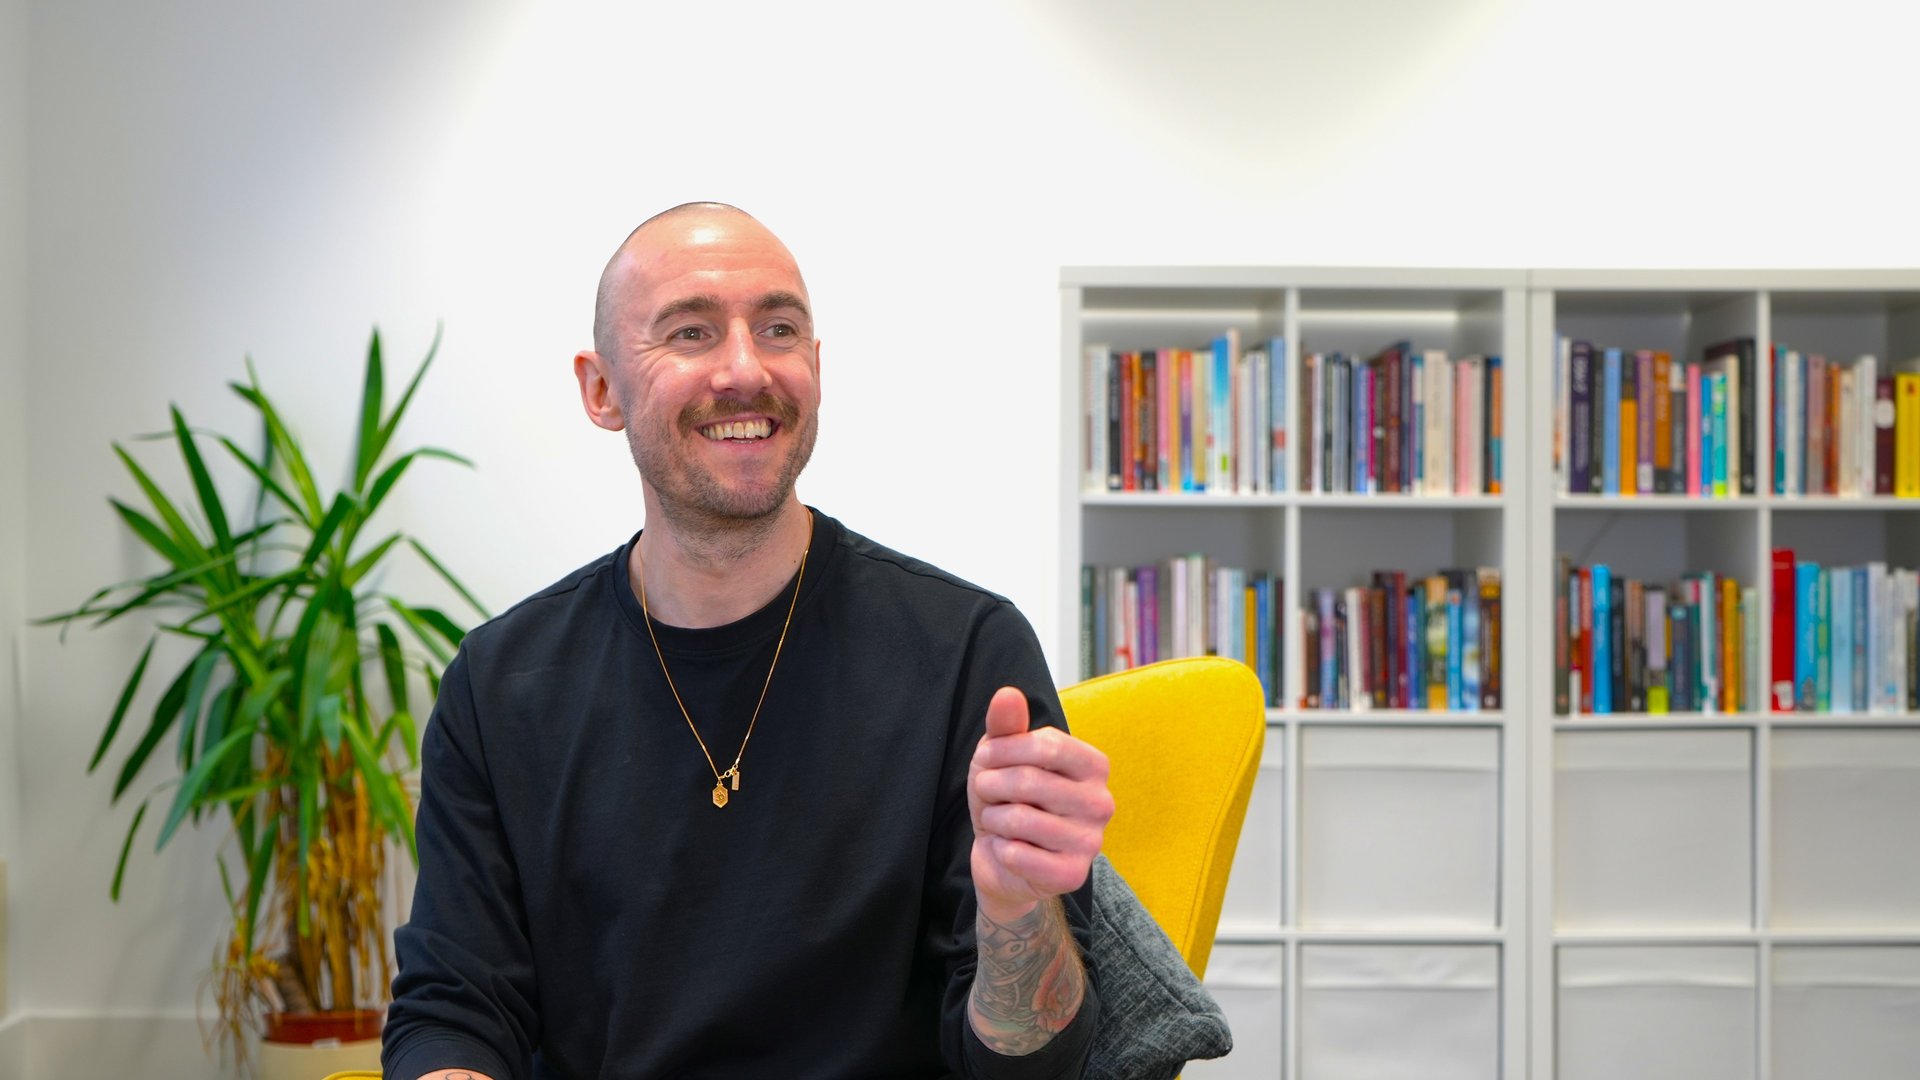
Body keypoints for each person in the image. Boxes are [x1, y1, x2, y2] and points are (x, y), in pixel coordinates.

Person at [382, 202, 1114, 1079]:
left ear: (816, 368)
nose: (745, 369)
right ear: (602, 390)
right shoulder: (501, 685)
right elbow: (455, 1011)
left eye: (778, 329)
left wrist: (1017, 918)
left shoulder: (965, 655)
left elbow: (1034, 1067)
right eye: (690, 332)